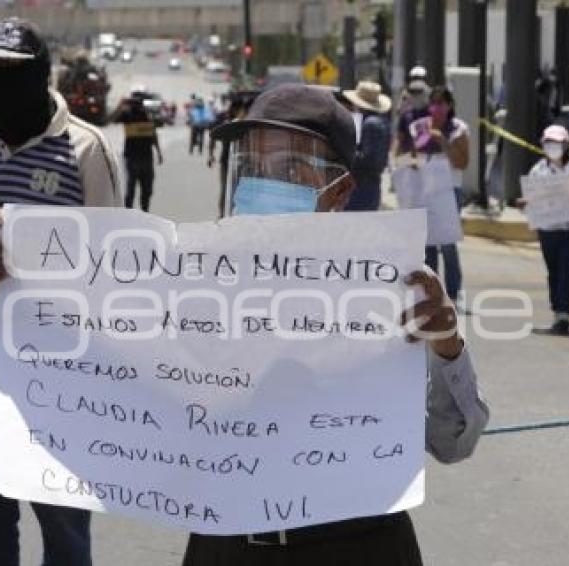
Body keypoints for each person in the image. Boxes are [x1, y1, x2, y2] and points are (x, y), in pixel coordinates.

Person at [188, 83, 489, 565]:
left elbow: (454, 441)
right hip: (227, 547)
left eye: (288, 169)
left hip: (358, 549)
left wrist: (448, 346)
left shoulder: (400, 285)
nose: (264, 185)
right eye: (253, 168)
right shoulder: (195, 280)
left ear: (342, 188)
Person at [0, 19, 122, 566]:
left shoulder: (85, 149)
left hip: (55, 369)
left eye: (7, 72)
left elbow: (110, 263)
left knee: (63, 528)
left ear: (39, 75)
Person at [519, 125, 569, 335]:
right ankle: (557, 309)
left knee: (567, 268)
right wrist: (525, 203)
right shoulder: (539, 170)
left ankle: (564, 313)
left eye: (556, 143)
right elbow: (532, 198)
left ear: (566, 145)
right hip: (549, 228)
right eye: (548, 143)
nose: (552, 147)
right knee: (554, 270)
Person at [408, 86, 470, 306]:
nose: (436, 107)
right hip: (427, 190)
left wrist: (442, 140)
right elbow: (413, 156)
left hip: (449, 191)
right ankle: (431, 291)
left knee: (447, 243)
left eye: (441, 103)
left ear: (450, 105)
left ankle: (453, 292)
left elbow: (461, 162)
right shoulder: (422, 126)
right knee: (428, 244)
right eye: (433, 102)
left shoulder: (458, 129)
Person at [340, 80, 392, 211]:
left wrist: (344, 151)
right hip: (371, 185)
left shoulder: (370, 124)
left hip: (361, 186)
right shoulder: (381, 121)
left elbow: (368, 159)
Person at [110, 84, 163, 212]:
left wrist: (159, 152)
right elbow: (111, 119)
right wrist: (121, 105)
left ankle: (145, 213)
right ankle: (128, 215)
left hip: (146, 156)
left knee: (147, 189)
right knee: (130, 189)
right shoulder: (127, 113)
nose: (137, 101)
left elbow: (154, 131)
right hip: (131, 157)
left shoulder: (148, 113)